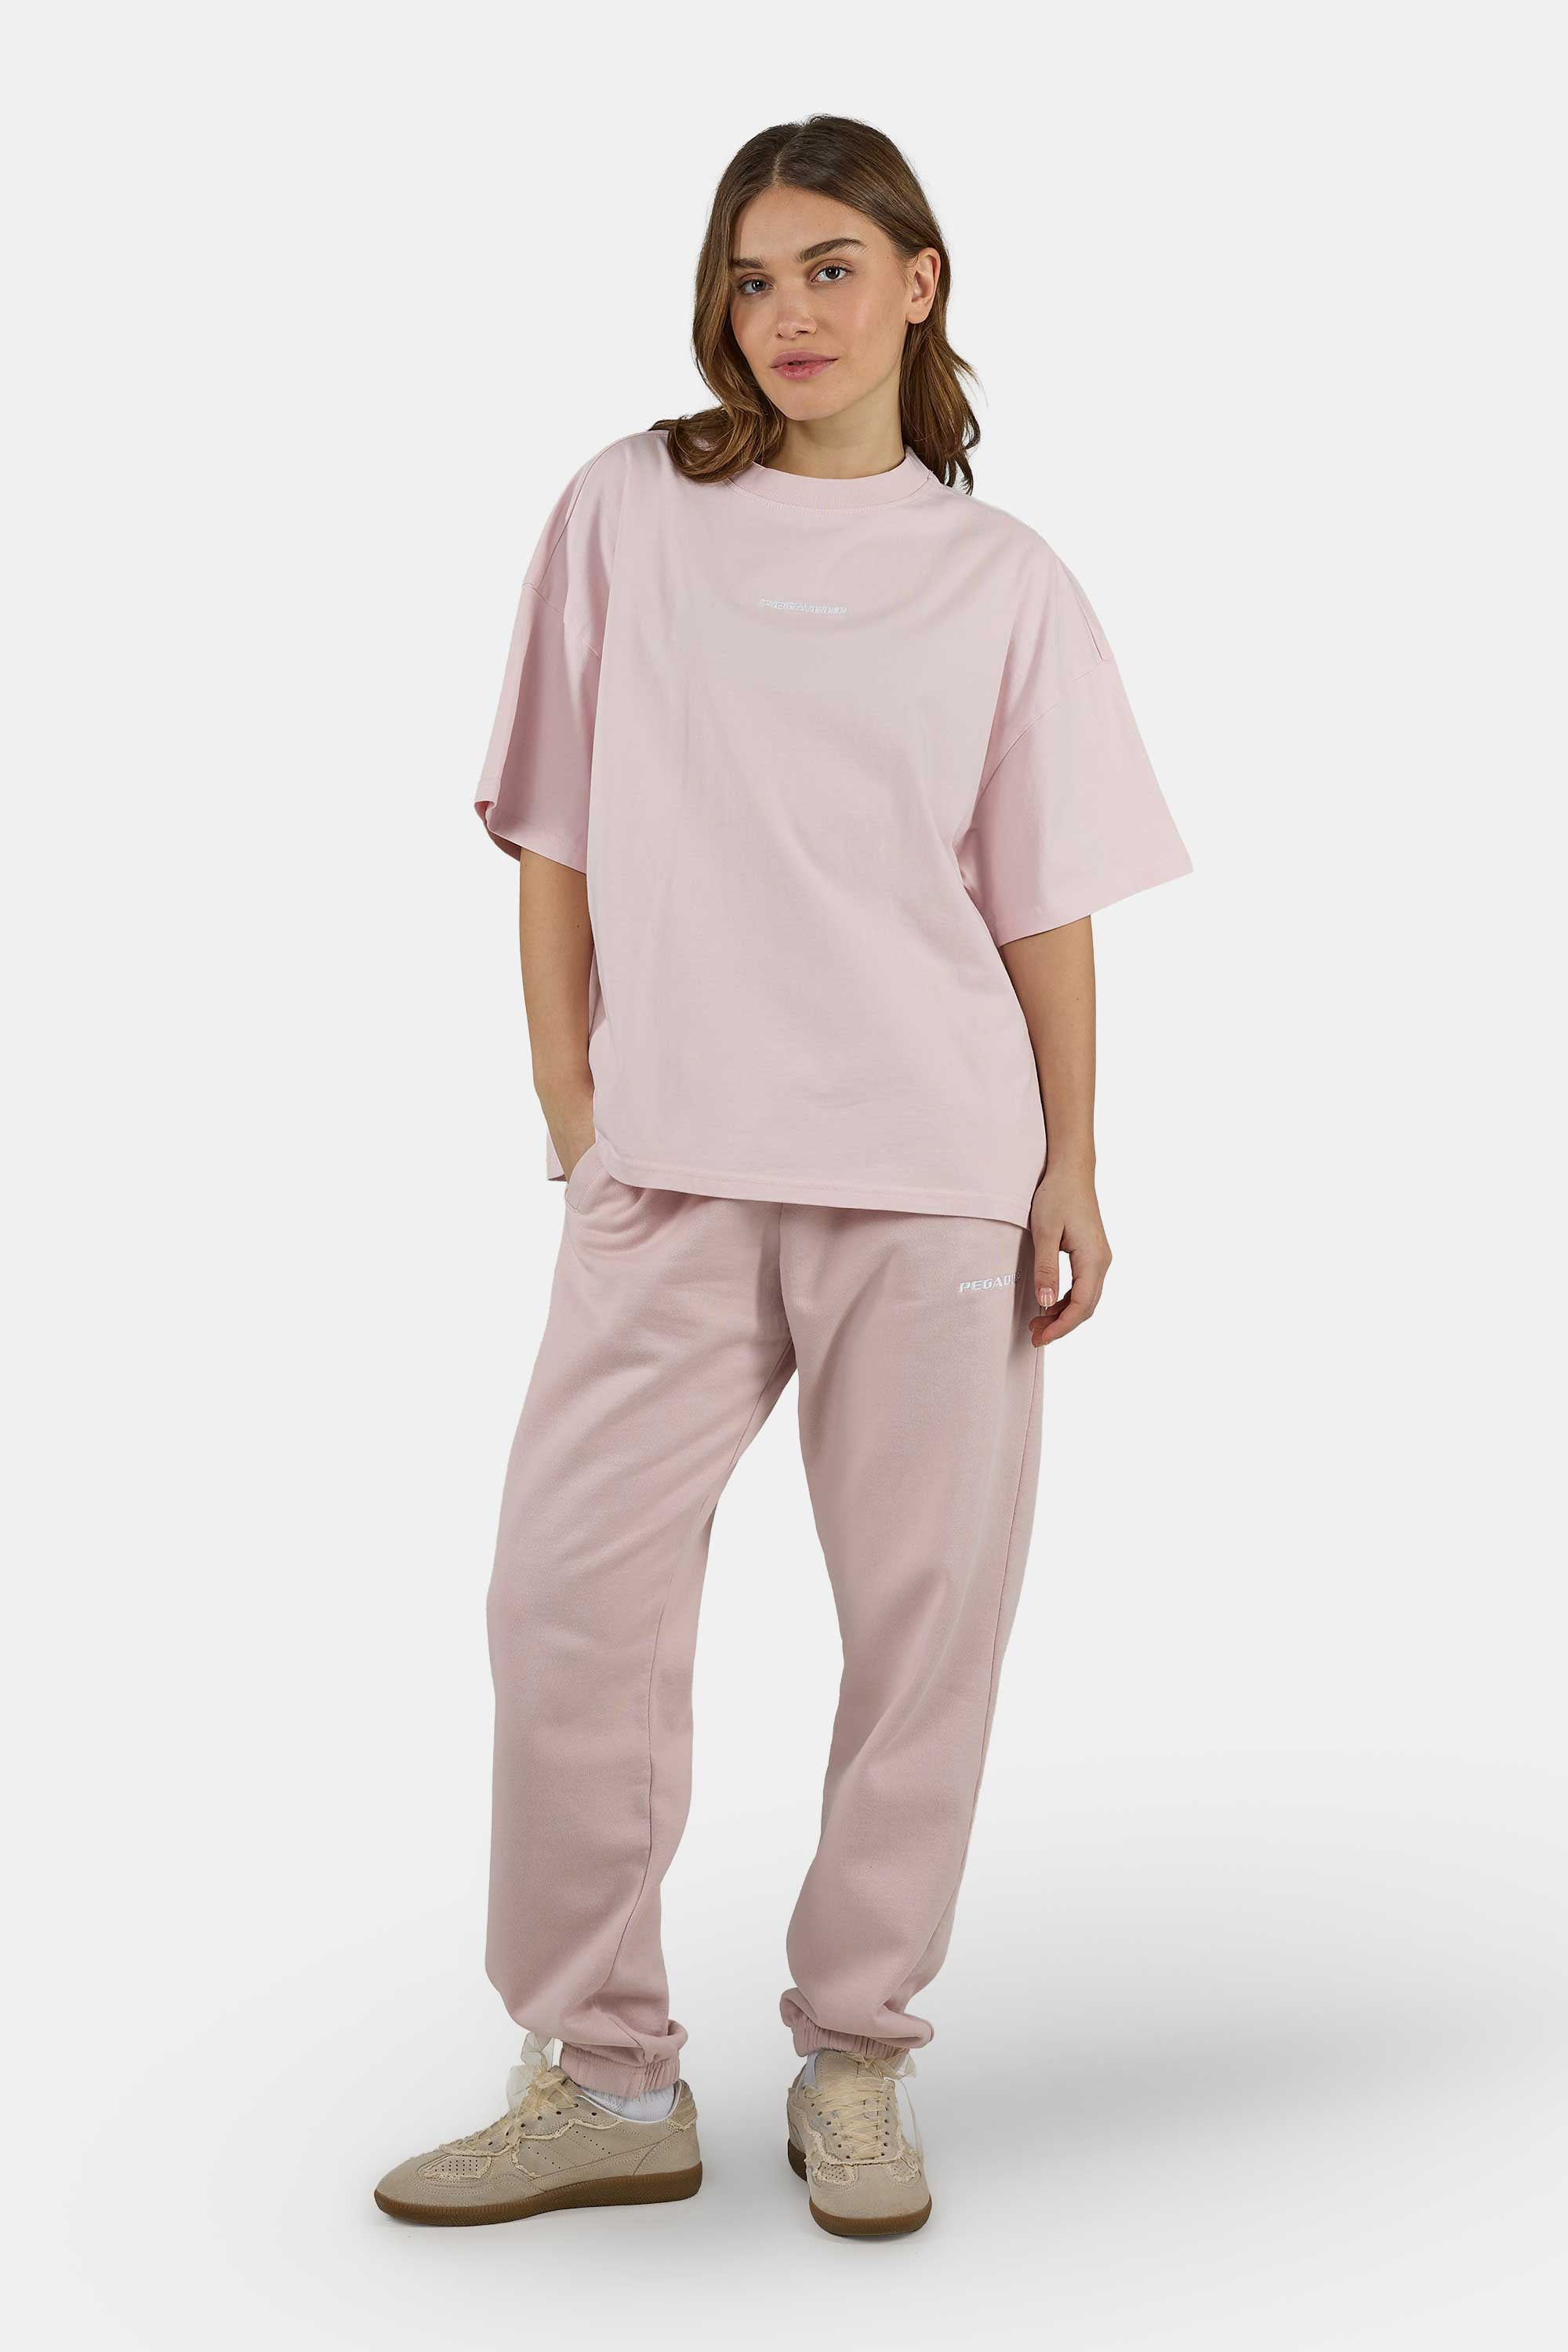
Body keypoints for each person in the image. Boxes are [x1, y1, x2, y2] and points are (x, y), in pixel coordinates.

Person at [374, 112, 1190, 2241]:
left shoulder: (1004, 583)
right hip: (672, 1163)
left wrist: (1073, 1157)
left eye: (831, 266)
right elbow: (553, 826)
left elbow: (1040, 897)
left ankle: (858, 2054)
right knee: (564, 1600)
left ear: (923, 282)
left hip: (932, 1167)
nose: (788, 313)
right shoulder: (628, 510)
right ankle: (608, 2075)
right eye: (752, 277)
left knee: (924, 1629)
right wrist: (570, 1095)